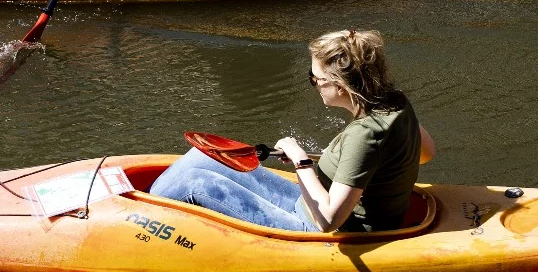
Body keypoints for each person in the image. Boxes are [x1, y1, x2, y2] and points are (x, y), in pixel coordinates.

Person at [149, 30, 434, 232]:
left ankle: (140, 223)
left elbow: (328, 222)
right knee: (202, 158)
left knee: (196, 184)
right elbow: (426, 152)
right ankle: (147, 211)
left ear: (341, 86)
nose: (313, 83)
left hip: (324, 228)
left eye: (316, 79)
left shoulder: (364, 137)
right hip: (311, 202)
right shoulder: (395, 103)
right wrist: (362, 167)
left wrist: (302, 160)